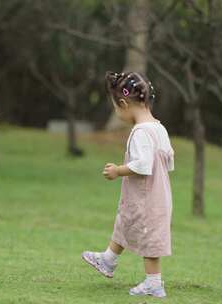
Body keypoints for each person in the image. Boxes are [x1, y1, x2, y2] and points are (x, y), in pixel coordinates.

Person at [82, 71, 175, 298]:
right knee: (125, 221)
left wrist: (117, 171)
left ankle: (154, 283)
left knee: (150, 238)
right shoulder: (158, 127)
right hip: (157, 195)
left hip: (146, 198)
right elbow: (169, 160)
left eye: (115, 107)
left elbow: (142, 165)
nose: (116, 111)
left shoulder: (140, 132)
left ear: (123, 103)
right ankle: (108, 259)